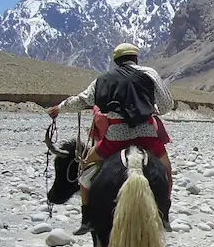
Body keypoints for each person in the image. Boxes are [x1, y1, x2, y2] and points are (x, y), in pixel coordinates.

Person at [47, 42, 175, 235]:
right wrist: (152, 108)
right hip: (147, 135)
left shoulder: (102, 79)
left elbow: (81, 101)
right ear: (136, 58)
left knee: (85, 173)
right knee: (166, 171)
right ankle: (164, 214)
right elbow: (166, 105)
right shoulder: (149, 73)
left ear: (116, 61)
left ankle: (87, 218)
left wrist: (59, 108)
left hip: (115, 138)